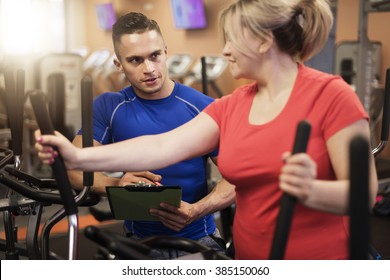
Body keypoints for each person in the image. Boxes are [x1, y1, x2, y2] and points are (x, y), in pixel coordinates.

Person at [35, 0, 378, 260]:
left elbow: (364, 194)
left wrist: (310, 189)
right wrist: (78, 155)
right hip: (249, 258)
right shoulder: (233, 104)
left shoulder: (332, 95)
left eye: (230, 39)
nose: (225, 50)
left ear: (261, 41)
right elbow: (160, 147)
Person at [66, 12, 235, 259]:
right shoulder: (108, 106)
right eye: (135, 60)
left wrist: (197, 210)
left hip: (200, 239)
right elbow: (74, 168)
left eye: (155, 56)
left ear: (166, 52)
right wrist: (115, 184)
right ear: (118, 64)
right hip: (139, 242)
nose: (149, 69)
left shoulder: (204, 106)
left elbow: (236, 178)